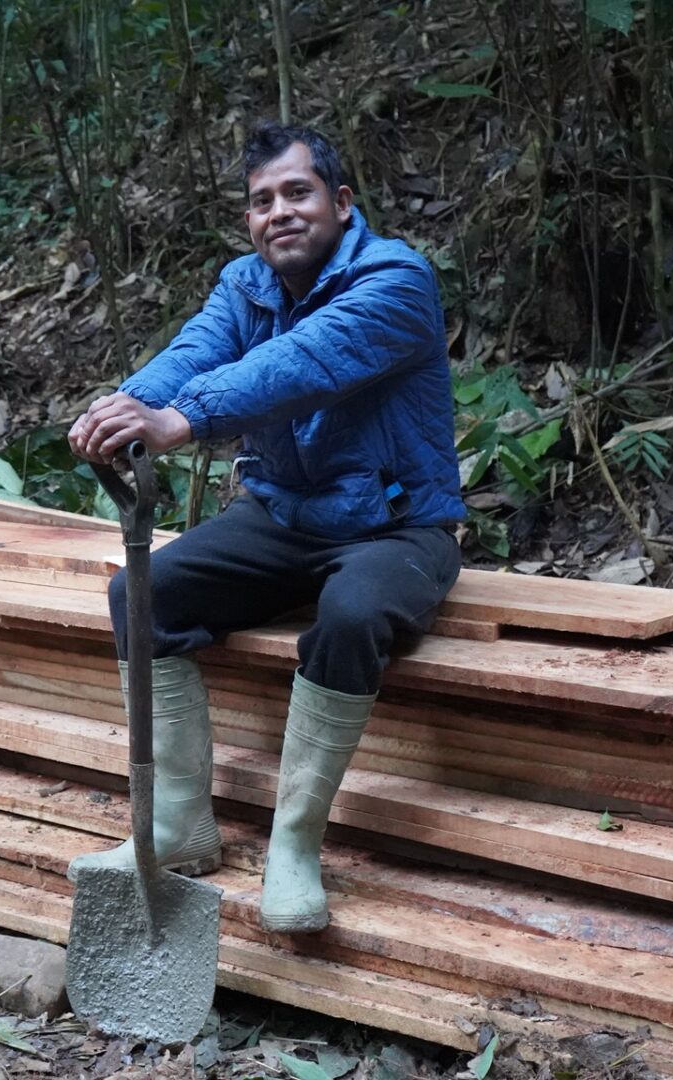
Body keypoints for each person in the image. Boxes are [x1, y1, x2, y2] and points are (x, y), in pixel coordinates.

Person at [66, 123, 463, 933]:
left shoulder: (397, 281)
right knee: (144, 592)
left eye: (296, 193)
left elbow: (303, 363)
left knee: (351, 614)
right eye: (260, 201)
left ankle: (294, 845)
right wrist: (123, 408)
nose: (278, 212)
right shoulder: (245, 286)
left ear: (341, 203)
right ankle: (178, 825)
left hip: (397, 529)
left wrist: (181, 420)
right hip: (282, 515)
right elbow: (195, 353)